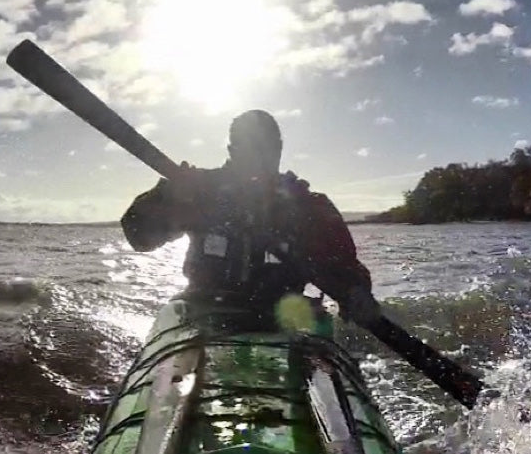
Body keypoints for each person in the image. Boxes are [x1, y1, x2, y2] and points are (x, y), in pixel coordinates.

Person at [120, 109, 383, 327]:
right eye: (250, 148)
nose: (260, 158)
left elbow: (346, 270)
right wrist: (165, 196)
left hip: (283, 322)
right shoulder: (195, 192)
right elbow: (138, 236)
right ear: (232, 150)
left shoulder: (309, 206)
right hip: (204, 316)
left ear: (279, 149)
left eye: (267, 148)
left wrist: (355, 292)